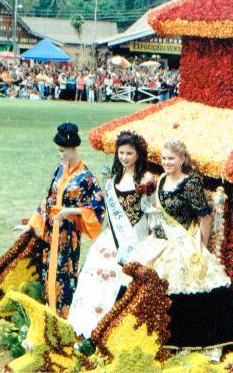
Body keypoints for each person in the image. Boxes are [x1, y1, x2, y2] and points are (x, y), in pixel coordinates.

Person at [129, 139, 233, 361]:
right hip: (160, 243)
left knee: (187, 290)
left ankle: (189, 344)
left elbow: (205, 217)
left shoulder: (191, 183)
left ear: (182, 159)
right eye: (164, 159)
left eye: (171, 158)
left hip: (185, 245)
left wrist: (202, 245)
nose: (166, 162)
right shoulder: (160, 180)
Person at [13, 122, 105, 317]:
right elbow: (47, 200)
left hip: (67, 235)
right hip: (51, 232)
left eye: (62, 151)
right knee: (49, 274)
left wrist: (71, 211)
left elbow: (97, 208)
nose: (60, 155)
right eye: (58, 151)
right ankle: (50, 315)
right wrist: (30, 225)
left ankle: (65, 319)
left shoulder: (86, 177)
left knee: (65, 276)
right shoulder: (59, 170)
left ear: (73, 148)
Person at [68, 131, 153, 338]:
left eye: (129, 153)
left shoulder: (146, 179)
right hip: (112, 238)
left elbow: (152, 211)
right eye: (121, 153)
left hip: (137, 238)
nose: (124, 157)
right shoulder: (114, 179)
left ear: (138, 154)